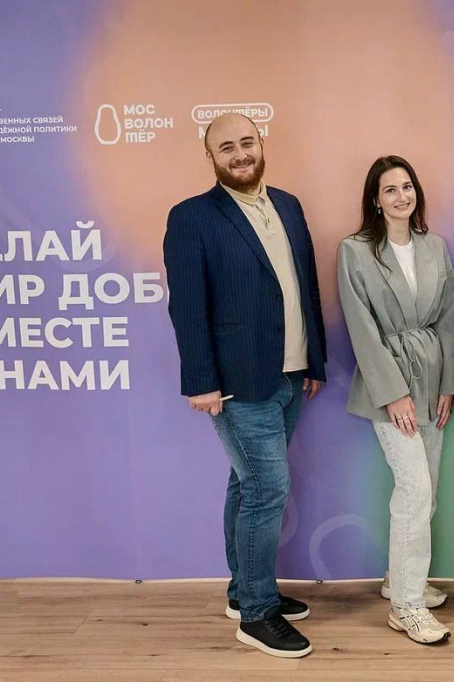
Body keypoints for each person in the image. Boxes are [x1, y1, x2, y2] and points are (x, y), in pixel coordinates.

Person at [163, 113, 327, 659]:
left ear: (261, 144)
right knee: (265, 490)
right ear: (210, 156)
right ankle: (257, 614)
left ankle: (244, 592)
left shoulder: (288, 205)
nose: (240, 154)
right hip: (236, 382)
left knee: (246, 484)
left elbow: (305, 287)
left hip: (290, 374)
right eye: (226, 147)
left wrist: (314, 361)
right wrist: (201, 382)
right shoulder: (191, 217)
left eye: (247, 142)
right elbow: (187, 306)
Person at [337, 155, 454, 645]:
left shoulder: (435, 246)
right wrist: (394, 394)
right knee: (414, 489)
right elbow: (361, 329)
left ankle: (400, 580)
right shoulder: (354, 251)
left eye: (407, 186)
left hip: (433, 381)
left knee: (429, 488)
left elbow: (448, 318)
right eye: (390, 189)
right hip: (388, 384)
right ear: (375, 199)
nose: (401, 196)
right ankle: (406, 606)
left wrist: (449, 384)